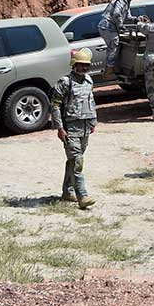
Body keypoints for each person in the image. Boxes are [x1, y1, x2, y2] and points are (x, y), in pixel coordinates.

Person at [51, 48, 97, 210]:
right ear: (74, 64)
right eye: (81, 65)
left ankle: (67, 191)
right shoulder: (65, 82)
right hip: (70, 128)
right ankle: (82, 196)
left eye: (86, 65)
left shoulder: (89, 81)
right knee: (78, 161)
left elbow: (91, 101)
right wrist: (59, 128)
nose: (84, 68)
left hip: (85, 127)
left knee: (74, 160)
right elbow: (55, 106)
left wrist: (93, 121)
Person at [98, 0, 138, 72]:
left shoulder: (126, 3)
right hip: (108, 26)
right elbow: (116, 14)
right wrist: (120, 26)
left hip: (110, 26)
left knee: (112, 47)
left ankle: (110, 67)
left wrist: (137, 20)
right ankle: (109, 69)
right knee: (114, 45)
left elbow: (127, 17)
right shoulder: (121, 0)